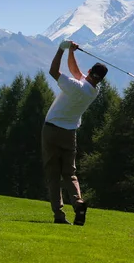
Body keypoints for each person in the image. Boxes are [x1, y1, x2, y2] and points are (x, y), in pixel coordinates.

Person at [42, 39, 108, 225]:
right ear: (100, 78)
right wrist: (72, 51)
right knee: (70, 174)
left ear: (89, 72)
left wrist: (61, 49)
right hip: (70, 134)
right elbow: (75, 72)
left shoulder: (76, 86)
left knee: (53, 175)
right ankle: (78, 203)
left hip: (52, 131)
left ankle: (59, 215)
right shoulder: (93, 91)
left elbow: (54, 72)